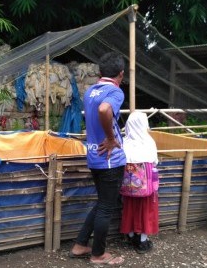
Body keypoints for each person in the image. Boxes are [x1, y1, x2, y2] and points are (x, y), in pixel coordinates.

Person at [69, 52, 126, 266]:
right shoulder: (115, 91)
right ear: (121, 75)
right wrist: (111, 139)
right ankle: (98, 254)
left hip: (94, 155)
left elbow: (97, 111)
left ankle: (80, 245)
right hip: (110, 158)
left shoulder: (90, 91)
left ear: (100, 72)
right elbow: (104, 110)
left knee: (102, 203)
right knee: (106, 207)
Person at [119, 111, 159, 254]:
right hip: (145, 185)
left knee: (129, 207)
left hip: (128, 185)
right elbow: (154, 161)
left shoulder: (124, 142)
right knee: (147, 209)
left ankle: (130, 235)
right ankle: (142, 240)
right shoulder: (148, 141)